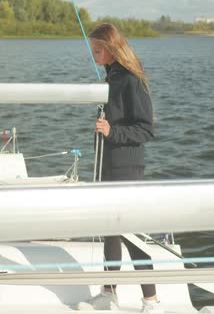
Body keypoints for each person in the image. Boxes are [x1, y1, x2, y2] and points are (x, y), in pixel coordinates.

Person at [77, 23, 160, 313]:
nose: (94, 54)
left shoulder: (130, 79)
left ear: (111, 48)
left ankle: (150, 300)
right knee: (109, 231)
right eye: (93, 49)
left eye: (98, 49)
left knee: (130, 232)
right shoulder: (110, 77)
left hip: (127, 168)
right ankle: (109, 293)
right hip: (107, 165)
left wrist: (112, 132)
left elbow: (145, 129)